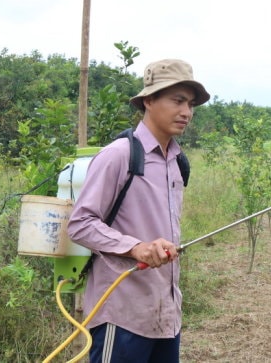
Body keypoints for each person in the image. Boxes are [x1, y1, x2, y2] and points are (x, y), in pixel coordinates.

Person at [67, 58, 210, 363]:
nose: (186, 112)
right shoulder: (118, 156)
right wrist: (136, 248)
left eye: (191, 104)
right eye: (177, 101)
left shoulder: (177, 160)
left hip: (165, 315)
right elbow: (80, 223)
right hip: (122, 314)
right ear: (148, 100)